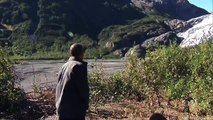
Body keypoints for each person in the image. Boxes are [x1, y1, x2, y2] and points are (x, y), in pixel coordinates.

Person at [55, 43, 89, 120]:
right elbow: (83, 89)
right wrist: (85, 105)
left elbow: (58, 87)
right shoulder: (78, 66)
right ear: (81, 53)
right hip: (73, 110)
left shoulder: (64, 66)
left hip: (62, 108)